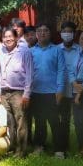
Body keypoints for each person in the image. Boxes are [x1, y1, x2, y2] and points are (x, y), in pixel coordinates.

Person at [31, 23, 67, 157]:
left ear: (50, 33)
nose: (42, 33)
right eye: (39, 31)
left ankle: (59, 150)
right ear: (36, 34)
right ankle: (39, 146)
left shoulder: (57, 50)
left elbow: (61, 71)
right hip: (36, 92)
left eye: (45, 30)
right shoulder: (31, 51)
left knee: (55, 121)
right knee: (39, 122)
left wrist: (60, 89)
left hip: (52, 92)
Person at [0, 28, 33, 157]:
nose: (8, 39)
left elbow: (30, 74)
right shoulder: (1, 52)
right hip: (4, 92)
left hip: (19, 92)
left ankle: (21, 151)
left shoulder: (24, 51)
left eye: (10, 36)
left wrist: (27, 94)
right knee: (8, 122)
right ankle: (10, 147)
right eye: (5, 36)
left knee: (21, 122)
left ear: (16, 38)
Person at [58, 21, 79, 156]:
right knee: (64, 120)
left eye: (69, 32)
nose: (67, 34)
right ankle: (63, 147)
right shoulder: (56, 49)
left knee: (79, 120)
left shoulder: (80, 49)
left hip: (78, 91)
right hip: (62, 91)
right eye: (64, 32)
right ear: (61, 33)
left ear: (74, 34)